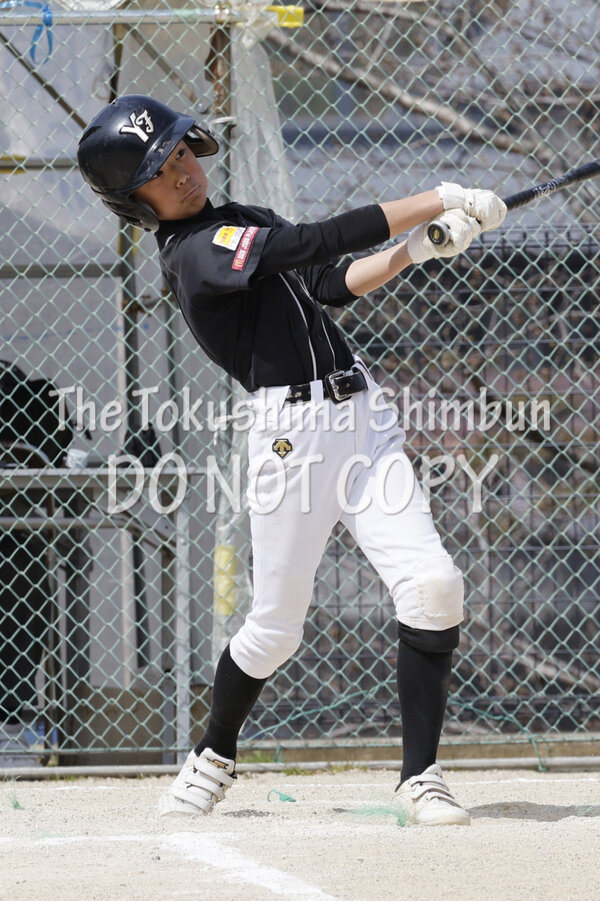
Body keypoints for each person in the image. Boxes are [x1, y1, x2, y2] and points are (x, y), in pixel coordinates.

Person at [77, 94, 506, 826]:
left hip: (363, 418)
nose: (180, 172)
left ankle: (420, 775)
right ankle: (213, 754)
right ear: (134, 202)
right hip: (292, 439)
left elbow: (325, 283)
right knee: (276, 627)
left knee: (434, 586)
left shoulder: (238, 218)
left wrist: (417, 249)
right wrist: (440, 196)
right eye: (158, 172)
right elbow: (314, 242)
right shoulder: (195, 253)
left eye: (179, 153)